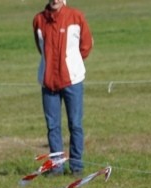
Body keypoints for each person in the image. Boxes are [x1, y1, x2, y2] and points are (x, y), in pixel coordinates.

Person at [33, 0, 93, 176]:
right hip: (48, 82)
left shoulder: (76, 16)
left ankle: (76, 166)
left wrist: (72, 61)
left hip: (72, 80)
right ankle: (57, 167)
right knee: (52, 126)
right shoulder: (38, 20)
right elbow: (40, 47)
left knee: (75, 124)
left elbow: (86, 45)